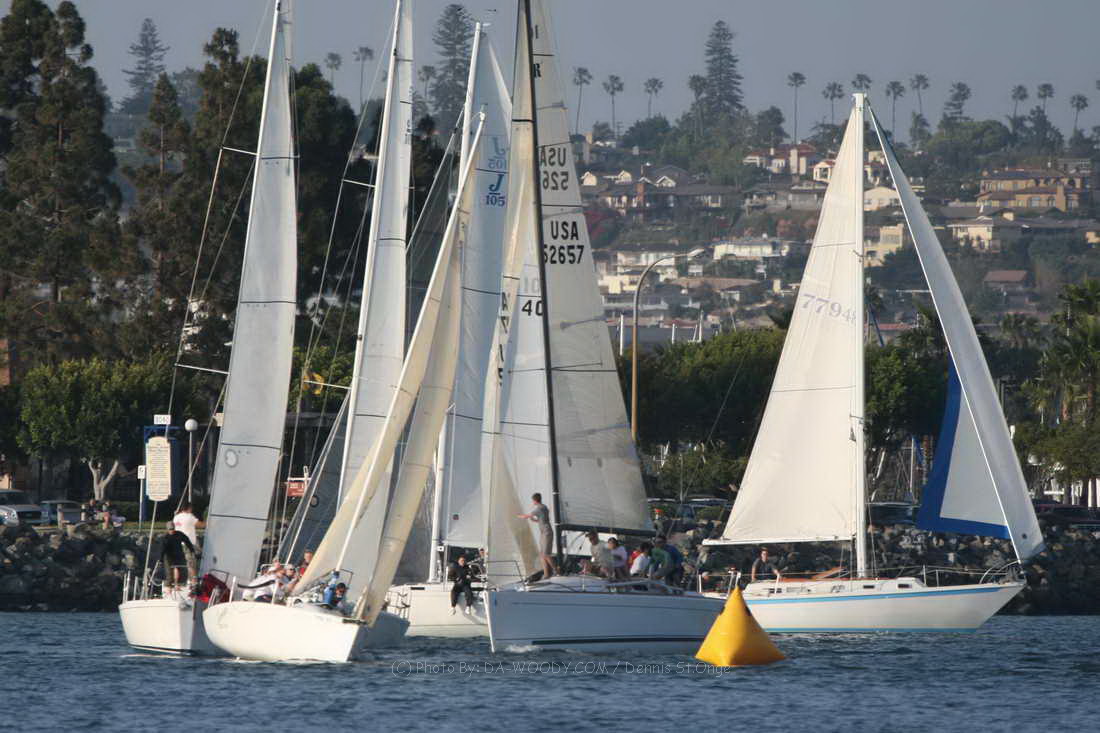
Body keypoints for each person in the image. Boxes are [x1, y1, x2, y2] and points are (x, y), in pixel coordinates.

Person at [518, 493, 556, 579]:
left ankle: (557, 571)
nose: (532, 502)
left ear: (535, 500)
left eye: (533, 501)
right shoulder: (544, 507)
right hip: (543, 533)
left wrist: (517, 516)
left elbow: (526, 516)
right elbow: (541, 520)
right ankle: (546, 574)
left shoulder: (539, 509)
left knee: (546, 554)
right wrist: (534, 520)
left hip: (546, 532)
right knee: (542, 554)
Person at [160, 522, 197, 590]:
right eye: (170, 529)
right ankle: (169, 587)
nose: (172, 530)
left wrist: (192, 550)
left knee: (182, 570)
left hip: (179, 554)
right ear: (167, 529)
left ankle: (179, 585)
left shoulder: (179, 534)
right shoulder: (165, 537)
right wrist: (161, 559)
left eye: (173, 529)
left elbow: (187, 541)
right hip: (169, 556)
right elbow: (162, 549)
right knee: (169, 573)